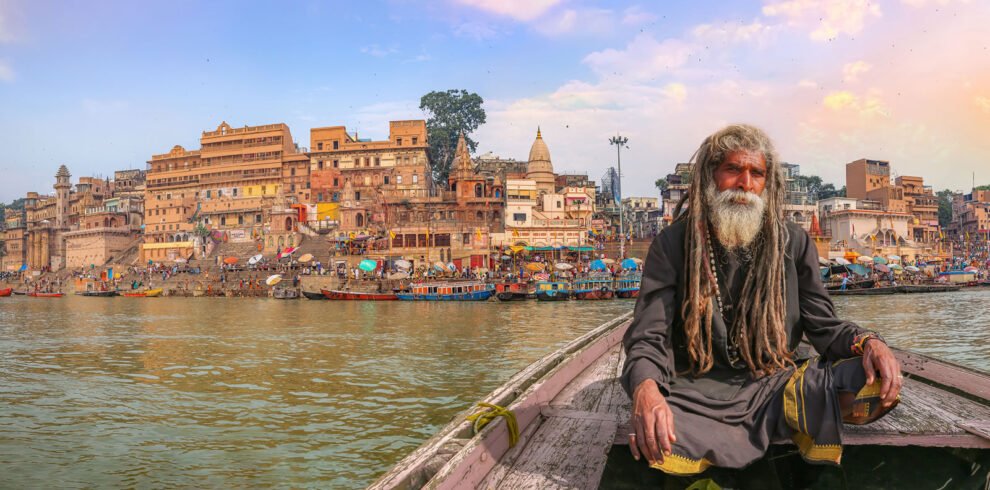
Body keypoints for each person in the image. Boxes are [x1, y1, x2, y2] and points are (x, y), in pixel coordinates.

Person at [622, 124, 902, 475]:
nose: (745, 184)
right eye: (733, 170)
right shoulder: (673, 243)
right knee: (659, 428)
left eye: (757, 173)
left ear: (767, 183)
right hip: (696, 389)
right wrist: (646, 390)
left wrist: (870, 342)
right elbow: (649, 335)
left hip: (774, 381)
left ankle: (791, 412)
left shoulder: (793, 241)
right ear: (711, 176)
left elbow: (824, 326)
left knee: (874, 381)